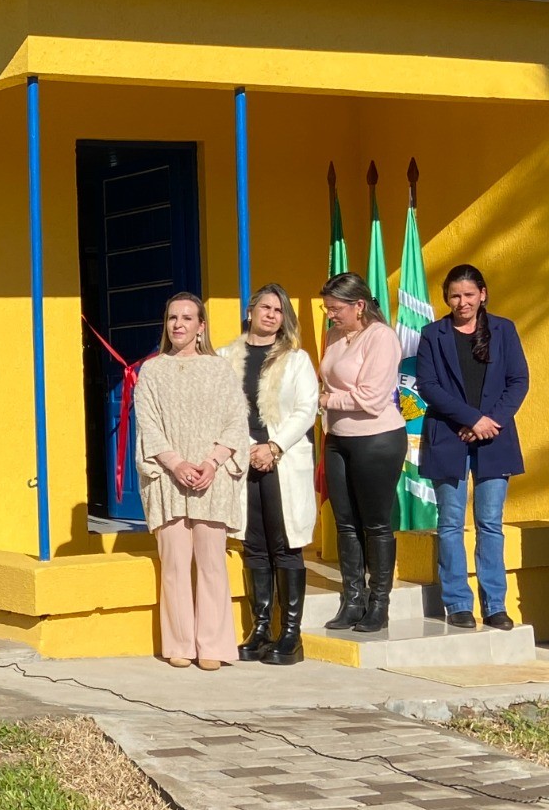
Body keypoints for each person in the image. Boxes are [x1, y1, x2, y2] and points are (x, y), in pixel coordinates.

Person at [135, 292, 250, 670]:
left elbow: (236, 420)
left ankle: (214, 645)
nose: (179, 324)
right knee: (174, 563)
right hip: (169, 478)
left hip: (210, 478)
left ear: (202, 326)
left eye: (187, 318)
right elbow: (147, 423)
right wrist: (175, 463)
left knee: (212, 562)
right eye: (172, 318)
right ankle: (180, 643)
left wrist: (213, 462)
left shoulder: (219, 370)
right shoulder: (152, 370)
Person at [416, 264, 529, 631]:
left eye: (468, 295)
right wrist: (470, 419)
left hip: (494, 438)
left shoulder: (504, 330)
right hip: (449, 436)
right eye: (454, 296)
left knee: (490, 523)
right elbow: (429, 385)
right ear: (446, 298)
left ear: (482, 294)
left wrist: (487, 422)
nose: (461, 302)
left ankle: (495, 604)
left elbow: (518, 381)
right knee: (450, 523)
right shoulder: (433, 334)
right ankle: (458, 603)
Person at [217, 285, 319, 666]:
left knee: (286, 544)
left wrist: (273, 446)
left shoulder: (296, 360)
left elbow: (307, 409)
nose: (272, 314)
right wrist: (248, 447)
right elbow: (222, 410)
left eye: (279, 310)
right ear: (250, 311)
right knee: (254, 544)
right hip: (244, 460)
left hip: (284, 459)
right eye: (266, 307)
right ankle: (260, 628)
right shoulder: (227, 357)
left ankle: (290, 635)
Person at [318, 272, 404, 633]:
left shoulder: (381, 337)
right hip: (338, 437)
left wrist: (324, 400)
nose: (330, 315)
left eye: (335, 308)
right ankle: (352, 599)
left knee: (376, 523)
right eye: (327, 309)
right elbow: (328, 378)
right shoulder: (336, 335)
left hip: (377, 438)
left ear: (359, 305)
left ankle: (378, 603)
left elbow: (370, 399)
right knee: (345, 522)